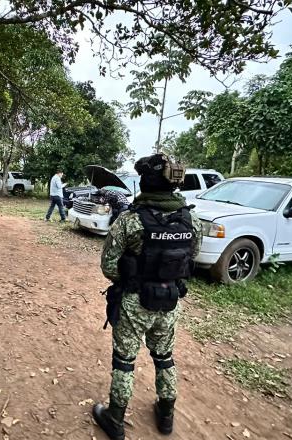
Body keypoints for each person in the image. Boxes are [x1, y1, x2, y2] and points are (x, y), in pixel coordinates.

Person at [93, 154, 201, 440]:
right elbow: (192, 259)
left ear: (145, 182)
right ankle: (166, 415)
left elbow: (109, 267)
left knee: (124, 361)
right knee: (165, 357)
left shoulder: (129, 221)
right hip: (170, 301)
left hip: (134, 302)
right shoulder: (192, 220)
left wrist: (131, 279)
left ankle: (115, 419)